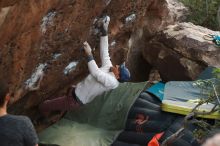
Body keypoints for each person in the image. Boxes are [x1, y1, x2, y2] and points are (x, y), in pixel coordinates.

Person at [39, 15, 131, 117]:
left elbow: (96, 73)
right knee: (59, 101)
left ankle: (42, 114)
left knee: (46, 105)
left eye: (119, 68)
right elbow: (104, 53)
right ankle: (55, 111)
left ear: (118, 76)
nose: (117, 65)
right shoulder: (110, 70)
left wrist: (89, 54)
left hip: (75, 100)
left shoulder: (112, 82)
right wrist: (104, 31)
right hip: (75, 91)